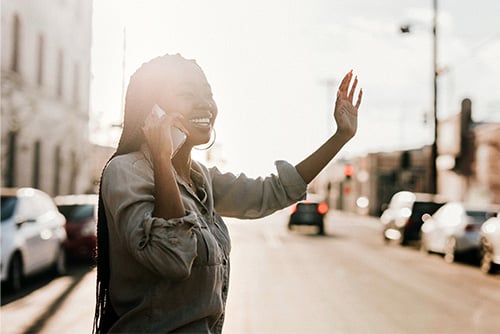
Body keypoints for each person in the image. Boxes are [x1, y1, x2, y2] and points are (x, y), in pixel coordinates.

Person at [93, 53, 362, 333]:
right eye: (187, 93)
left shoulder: (202, 178)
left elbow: (272, 192)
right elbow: (171, 257)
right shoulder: (126, 171)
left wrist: (340, 137)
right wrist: (161, 158)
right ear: (153, 110)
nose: (204, 104)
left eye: (208, 94)